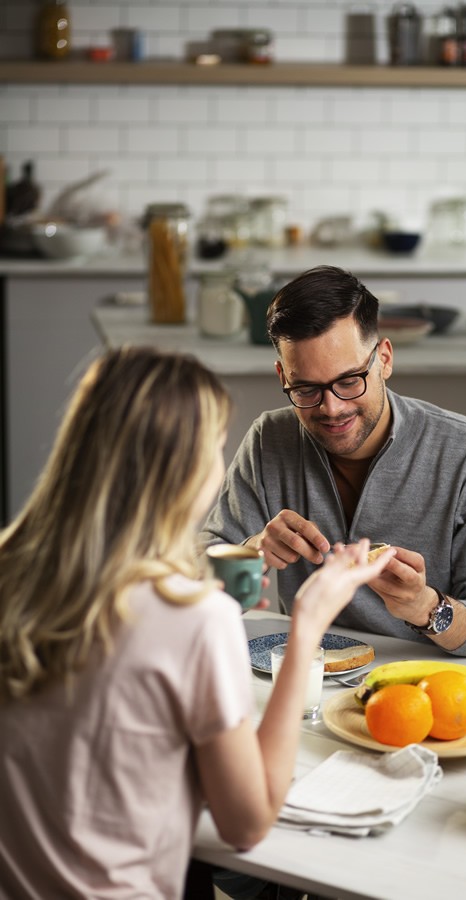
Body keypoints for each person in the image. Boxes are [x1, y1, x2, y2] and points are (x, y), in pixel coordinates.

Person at [0, 346, 395, 899]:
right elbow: (247, 823)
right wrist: (305, 624)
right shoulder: (191, 618)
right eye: (215, 448)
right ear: (180, 472)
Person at [200, 265, 466, 662]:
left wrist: (425, 608)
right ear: (282, 376)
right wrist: (250, 554)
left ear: (385, 359)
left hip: (432, 696)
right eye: (306, 388)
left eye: (349, 380)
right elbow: (194, 594)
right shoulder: (267, 441)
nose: (332, 408)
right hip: (306, 685)